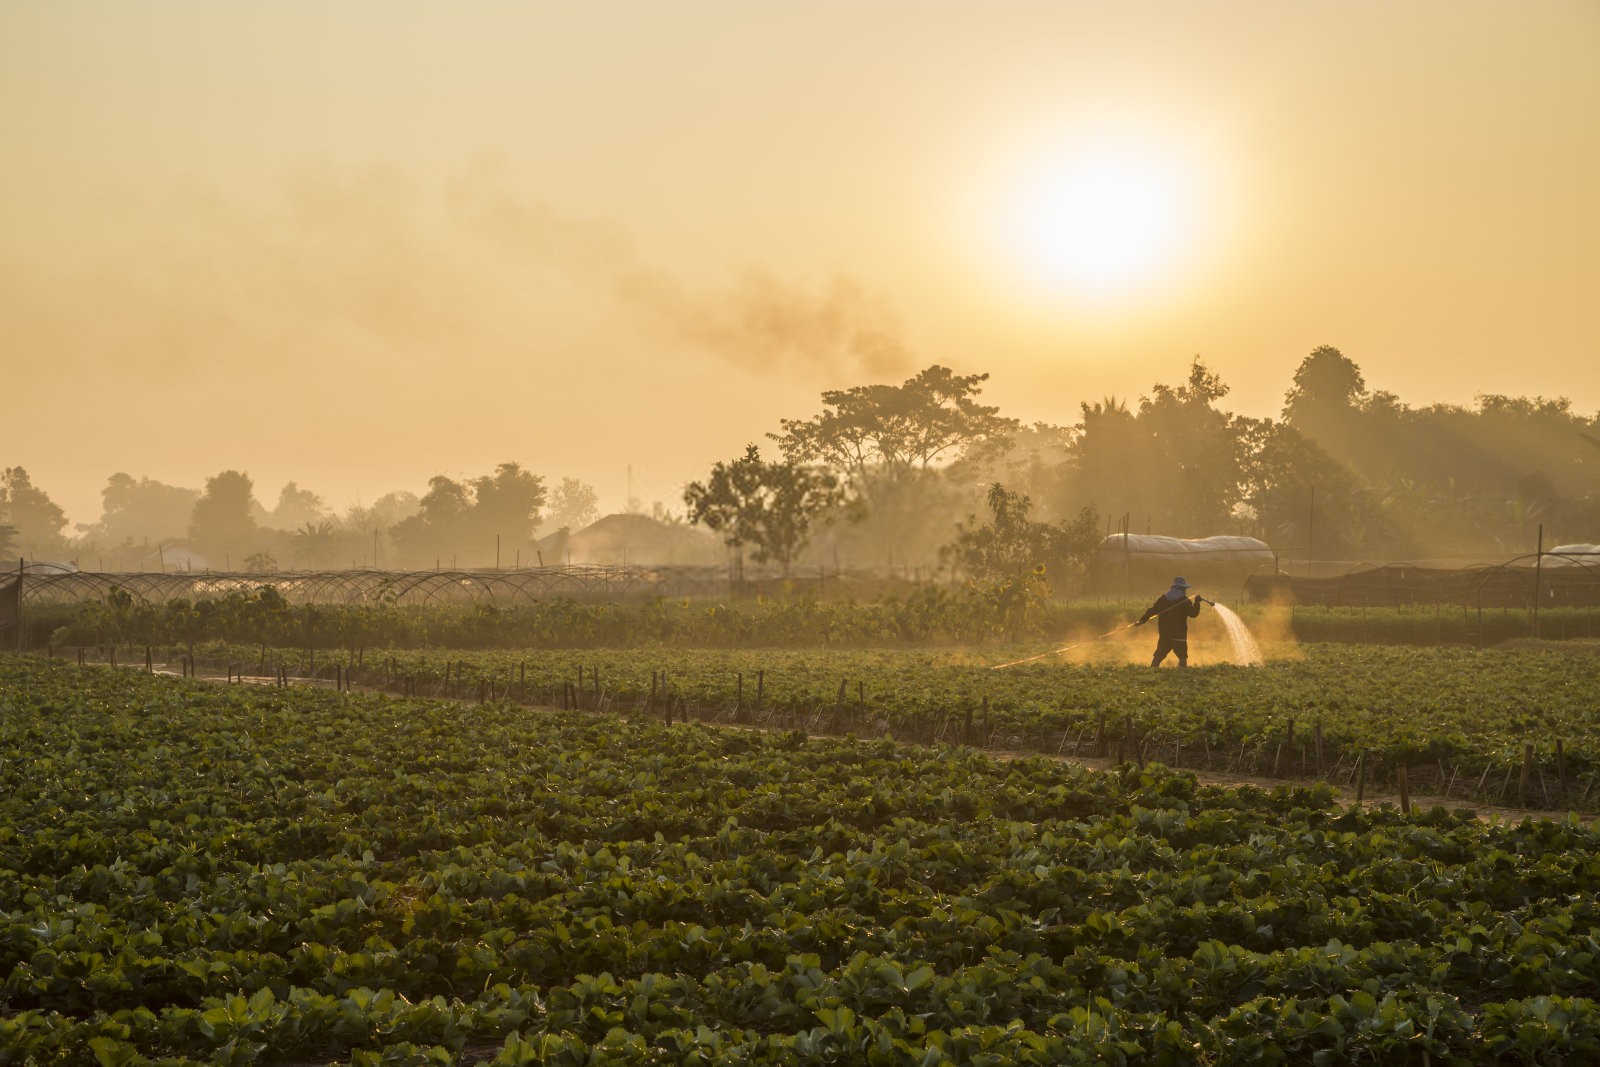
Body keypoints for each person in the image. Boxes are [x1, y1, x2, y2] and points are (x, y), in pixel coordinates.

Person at [1136, 576, 1204, 668]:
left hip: (1165, 633)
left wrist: (1142, 620)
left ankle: (1152, 671)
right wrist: (1197, 602)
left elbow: (1152, 610)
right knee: (1182, 657)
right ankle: (1183, 675)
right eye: (1184, 589)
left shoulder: (1163, 599)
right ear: (1182, 589)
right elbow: (1193, 614)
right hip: (1179, 634)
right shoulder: (1184, 601)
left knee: (1159, 656)